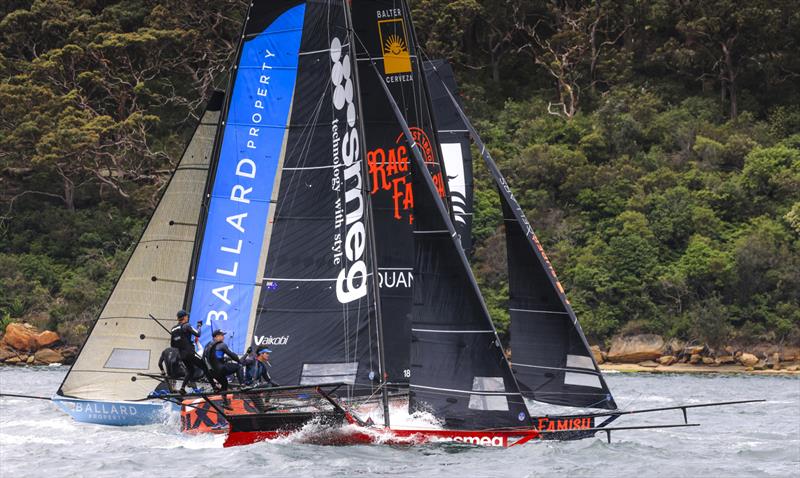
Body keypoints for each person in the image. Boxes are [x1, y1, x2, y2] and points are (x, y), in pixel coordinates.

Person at [170, 309, 212, 394]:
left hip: (182, 355)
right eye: (187, 316)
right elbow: (198, 334)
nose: (188, 317)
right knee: (205, 367)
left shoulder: (173, 329)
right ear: (185, 317)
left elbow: (173, 344)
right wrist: (199, 326)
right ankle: (214, 387)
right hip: (190, 353)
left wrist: (181, 343)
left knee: (190, 370)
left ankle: (182, 388)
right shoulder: (187, 325)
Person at [203, 329, 244, 408]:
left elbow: (206, 360)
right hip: (220, 369)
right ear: (216, 337)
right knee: (239, 366)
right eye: (222, 335)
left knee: (224, 384)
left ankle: (225, 402)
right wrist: (239, 361)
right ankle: (243, 385)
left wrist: (213, 385)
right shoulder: (221, 344)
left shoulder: (207, 345)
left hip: (212, 373)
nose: (223, 337)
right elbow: (232, 356)